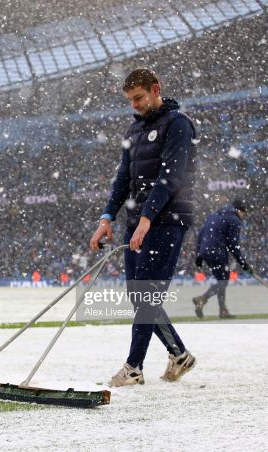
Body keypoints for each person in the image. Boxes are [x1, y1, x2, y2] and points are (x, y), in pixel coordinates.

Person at [89, 68, 197, 386]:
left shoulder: (179, 124)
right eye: (130, 100)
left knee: (147, 295)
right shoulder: (133, 131)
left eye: (138, 98)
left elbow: (171, 176)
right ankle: (179, 354)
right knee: (140, 297)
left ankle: (133, 368)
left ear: (155, 89)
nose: (134, 105)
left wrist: (148, 218)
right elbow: (122, 181)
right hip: (139, 221)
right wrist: (106, 218)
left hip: (167, 220)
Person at [193, 199, 252, 319]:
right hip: (217, 251)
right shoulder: (234, 219)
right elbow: (233, 245)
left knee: (221, 279)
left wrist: (199, 254)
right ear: (240, 211)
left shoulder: (214, 215)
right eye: (244, 214)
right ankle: (203, 298)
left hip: (206, 250)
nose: (243, 217)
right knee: (223, 280)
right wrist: (243, 264)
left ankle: (223, 310)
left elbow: (201, 234)